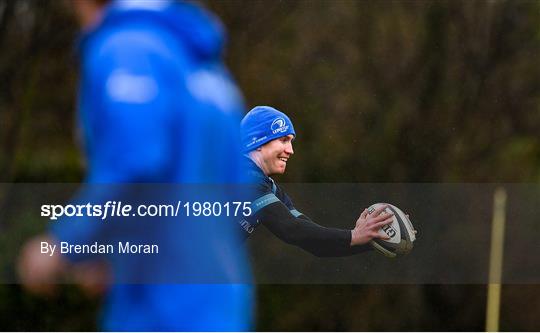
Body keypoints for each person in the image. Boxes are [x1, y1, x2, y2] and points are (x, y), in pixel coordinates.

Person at [18, 0, 253, 331]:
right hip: (218, 307)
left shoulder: (125, 49)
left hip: (159, 312)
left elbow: (137, 164)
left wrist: (64, 243)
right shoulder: (206, 68)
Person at [239, 105, 395, 257]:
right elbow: (291, 229)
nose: (290, 150)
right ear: (257, 141)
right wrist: (353, 236)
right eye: (283, 140)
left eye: (291, 141)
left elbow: (312, 241)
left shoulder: (266, 186)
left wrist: (372, 239)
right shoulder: (245, 179)